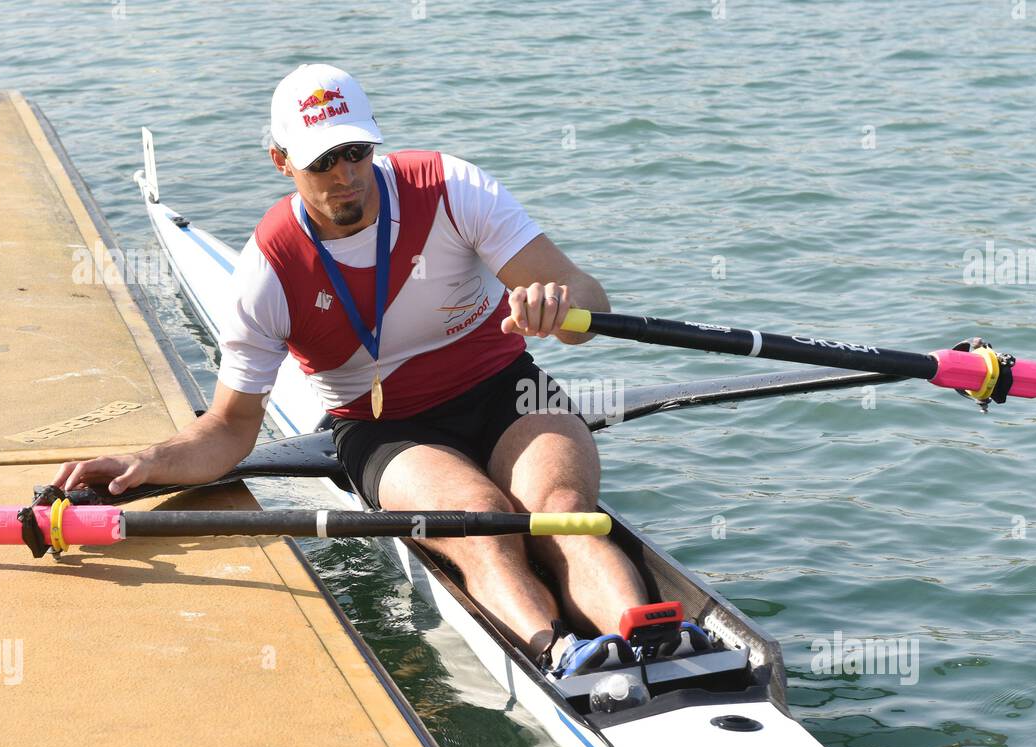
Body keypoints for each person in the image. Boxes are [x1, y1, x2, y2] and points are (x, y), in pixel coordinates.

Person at [53, 64, 649, 676]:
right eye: (321, 162)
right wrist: (148, 462)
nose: (344, 177)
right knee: (482, 524)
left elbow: (587, 296)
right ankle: (560, 656)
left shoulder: (451, 188)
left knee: (563, 508)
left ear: (373, 143)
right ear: (281, 161)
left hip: (506, 389)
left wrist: (562, 308)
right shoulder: (271, 270)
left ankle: (655, 638)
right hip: (390, 429)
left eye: (355, 153)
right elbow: (231, 428)